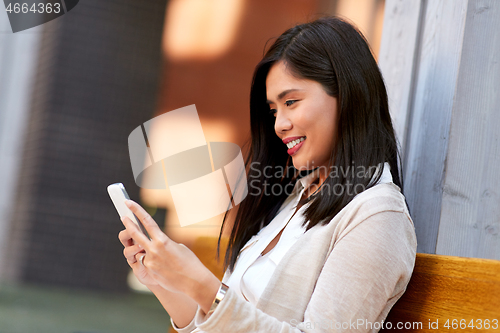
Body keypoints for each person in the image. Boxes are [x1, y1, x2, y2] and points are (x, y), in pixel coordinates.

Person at [118, 16, 417, 333]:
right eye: (274, 110)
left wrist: (203, 286)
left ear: (348, 95)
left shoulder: (377, 215)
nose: (279, 125)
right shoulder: (296, 196)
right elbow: (222, 324)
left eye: (291, 102)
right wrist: (166, 282)